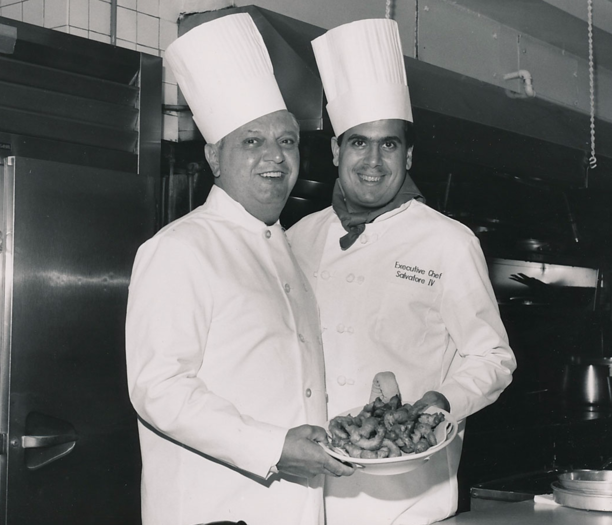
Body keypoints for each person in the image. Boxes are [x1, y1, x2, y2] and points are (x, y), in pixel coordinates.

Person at [125, 13, 353, 525]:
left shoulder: (285, 249)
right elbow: (157, 388)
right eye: (252, 141)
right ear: (214, 155)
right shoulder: (180, 249)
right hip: (217, 511)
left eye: (288, 140)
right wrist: (272, 446)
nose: (276, 156)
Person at [286, 18, 517, 524]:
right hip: (306, 497)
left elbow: (493, 356)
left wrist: (445, 399)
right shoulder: (297, 237)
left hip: (408, 503)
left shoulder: (448, 242)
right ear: (334, 151)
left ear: (408, 154)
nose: (372, 160)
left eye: (388, 144)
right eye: (357, 142)